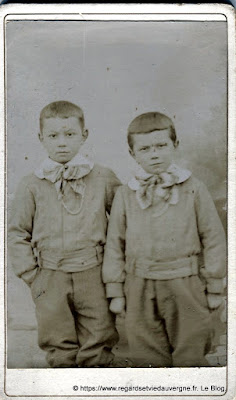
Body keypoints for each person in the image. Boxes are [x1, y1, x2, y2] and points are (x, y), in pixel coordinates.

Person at [102, 111, 226, 367]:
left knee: (191, 349)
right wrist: (115, 290)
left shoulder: (194, 188)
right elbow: (115, 243)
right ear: (132, 154)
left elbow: (213, 237)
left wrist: (215, 285)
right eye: (145, 149)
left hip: (185, 283)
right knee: (146, 353)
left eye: (161, 146)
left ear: (175, 145)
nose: (154, 154)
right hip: (139, 285)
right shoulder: (126, 194)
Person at [8, 100, 120, 368]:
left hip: (94, 273)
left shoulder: (103, 177)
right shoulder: (31, 184)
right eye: (53, 135)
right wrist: (31, 275)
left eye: (69, 134)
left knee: (99, 336)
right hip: (49, 276)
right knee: (57, 339)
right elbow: (17, 232)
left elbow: (123, 221)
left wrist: (115, 268)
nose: (61, 143)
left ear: (84, 136)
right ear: (41, 138)